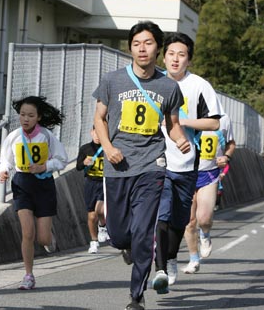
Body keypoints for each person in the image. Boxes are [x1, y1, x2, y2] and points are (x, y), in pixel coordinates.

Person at [92, 20, 191, 310]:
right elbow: (99, 118)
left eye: (148, 43)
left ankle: (136, 297)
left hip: (152, 165)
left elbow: (172, 125)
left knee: (144, 232)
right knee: (120, 234)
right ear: (130, 49)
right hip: (118, 167)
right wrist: (108, 148)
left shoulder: (168, 86)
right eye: (136, 44)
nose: (142, 49)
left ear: (157, 48)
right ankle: (126, 247)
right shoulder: (112, 81)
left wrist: (181, 139)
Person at [151, 32, 223, 292]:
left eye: (181, 55)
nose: (175, 59)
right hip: (156, 161)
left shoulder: (199, 86)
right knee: (161, 215)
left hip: (186, 161)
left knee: (181, 220)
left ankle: (171, 258)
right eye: (171, 53)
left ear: (189, 60)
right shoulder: (153, 82)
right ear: (163, 55)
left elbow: (214, 122)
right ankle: (160, 267)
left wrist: (181, 123)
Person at [0, 95, 68, 290]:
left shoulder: (46, 135)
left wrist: (45, 166)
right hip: (22, 185)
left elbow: (63, 159)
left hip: (44, 186)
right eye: (22, 115)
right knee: (27, 232)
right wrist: (3, 171)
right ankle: (28, 275)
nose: (25, 119)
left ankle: (50, 238)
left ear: (38, 117)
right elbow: (5, 159)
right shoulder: (13, 136)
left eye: (30, 115)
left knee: (42, 238)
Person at [182, 113, 235, 273]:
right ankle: (193, 258)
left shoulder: (223, 118)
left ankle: (205, 234)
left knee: (203, 219)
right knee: (189, 220)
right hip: (186, 172)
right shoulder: (184, 114)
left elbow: (231, 143)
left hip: (209, 173)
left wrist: (226, 156)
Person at [76, 126, 108, 254]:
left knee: (100, 209)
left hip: (104, 182)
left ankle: (102, 226)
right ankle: (94, 241)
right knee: (91, 214)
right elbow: (78, 166)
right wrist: (84, 162)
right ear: (92, 132)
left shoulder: (108, 148)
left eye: (100, 133)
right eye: (95, 133)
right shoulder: (85, 149)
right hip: (91, 182)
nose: (97, 136)